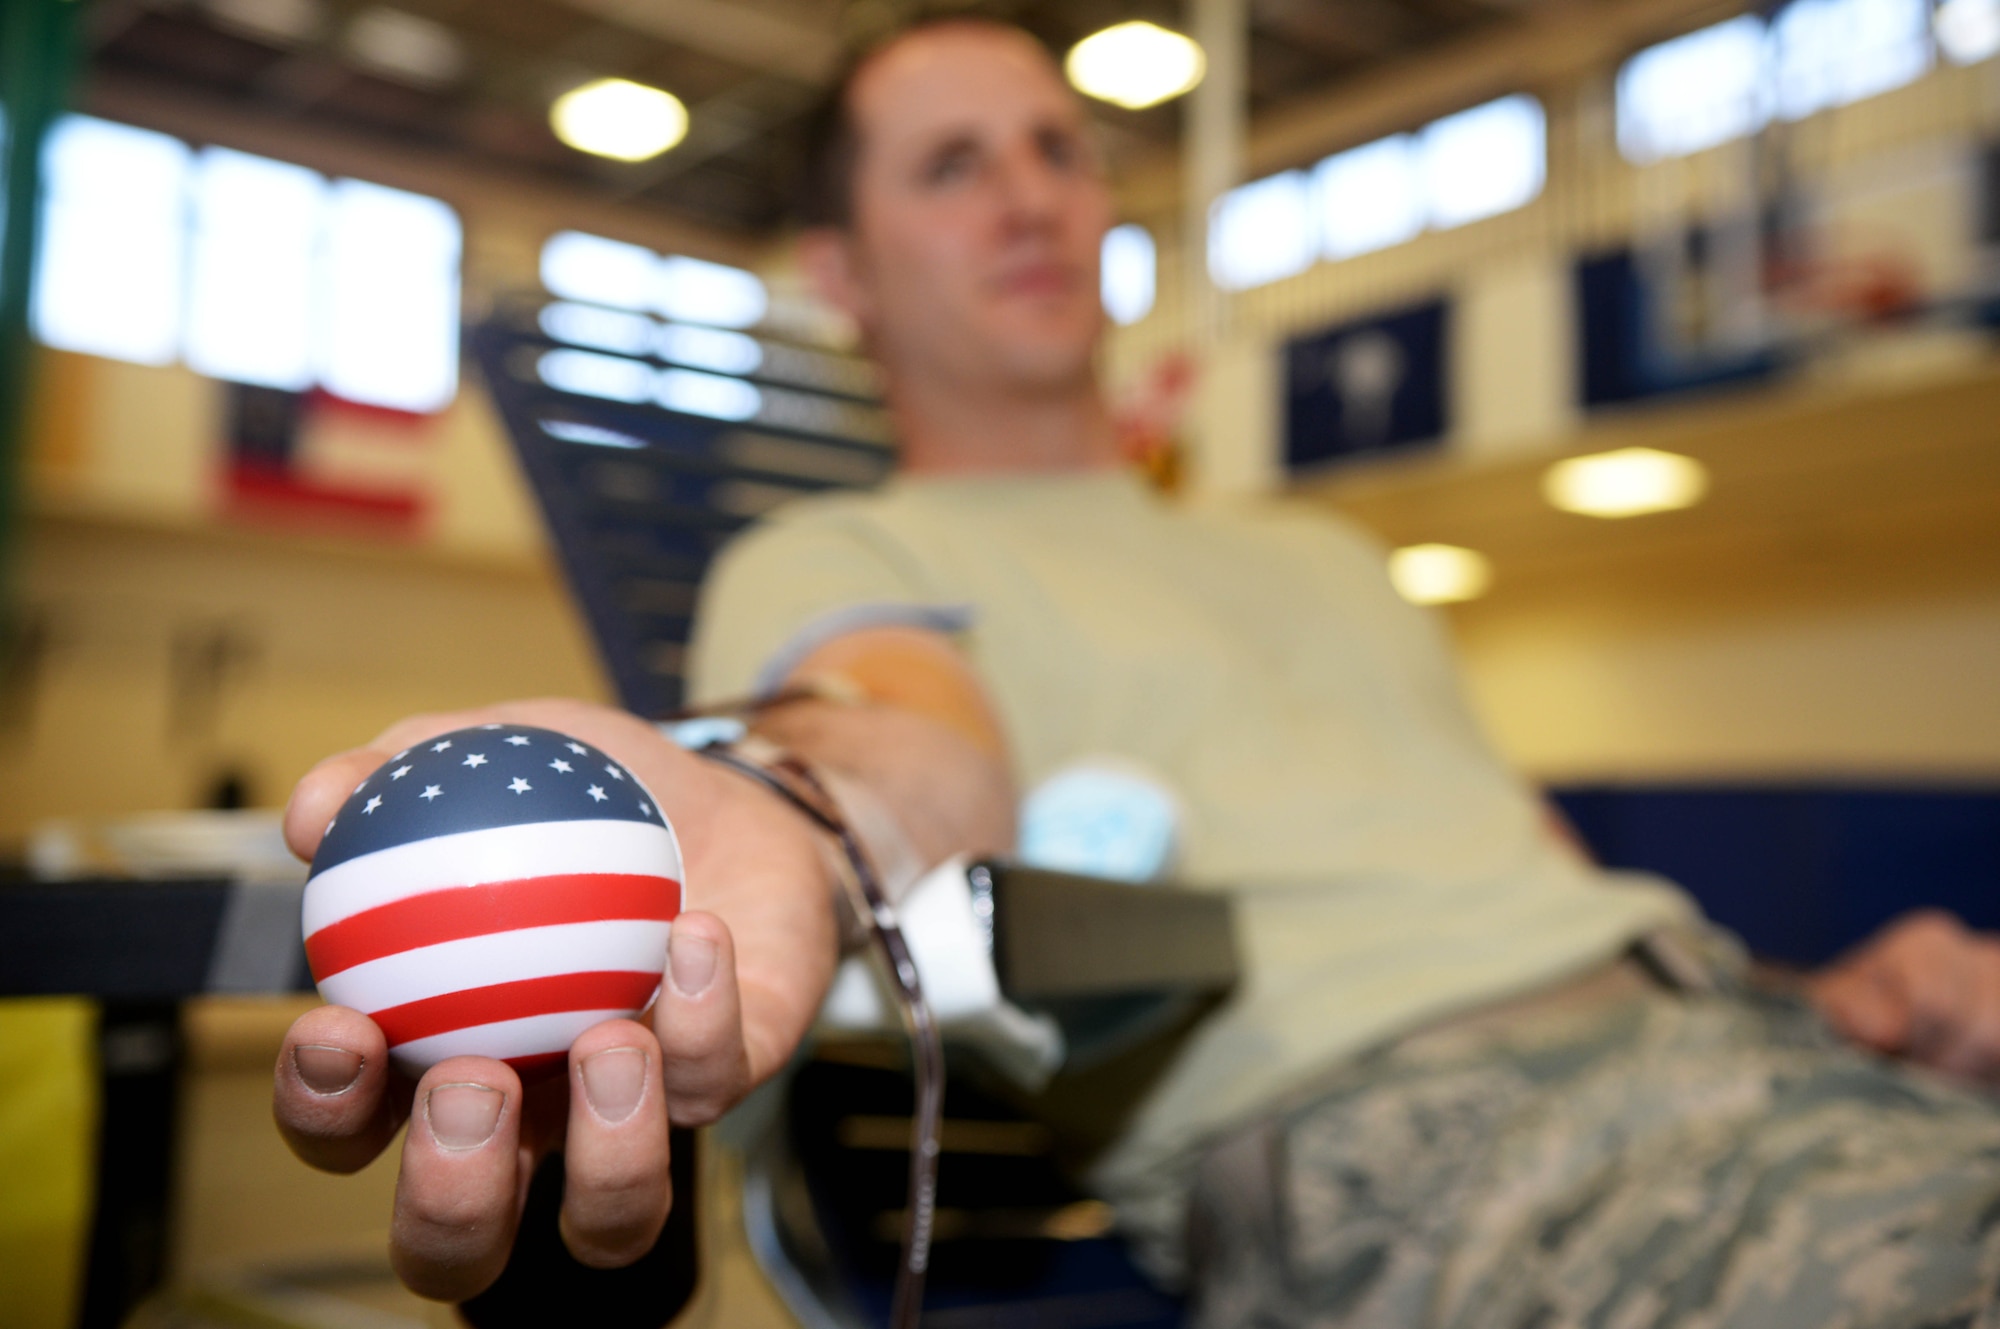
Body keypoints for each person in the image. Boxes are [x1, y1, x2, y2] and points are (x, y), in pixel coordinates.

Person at [274, 18, 2000, 1324]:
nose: (1031, 194)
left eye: (1060, 147)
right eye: (953, 166)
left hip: (1764, 1053)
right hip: (1446, 1148)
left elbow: (1529, 889)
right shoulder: (845, 558)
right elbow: (899, 743)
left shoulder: (1325, 555)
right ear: (840, 273)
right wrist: (787, 799)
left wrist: (1827, 984)